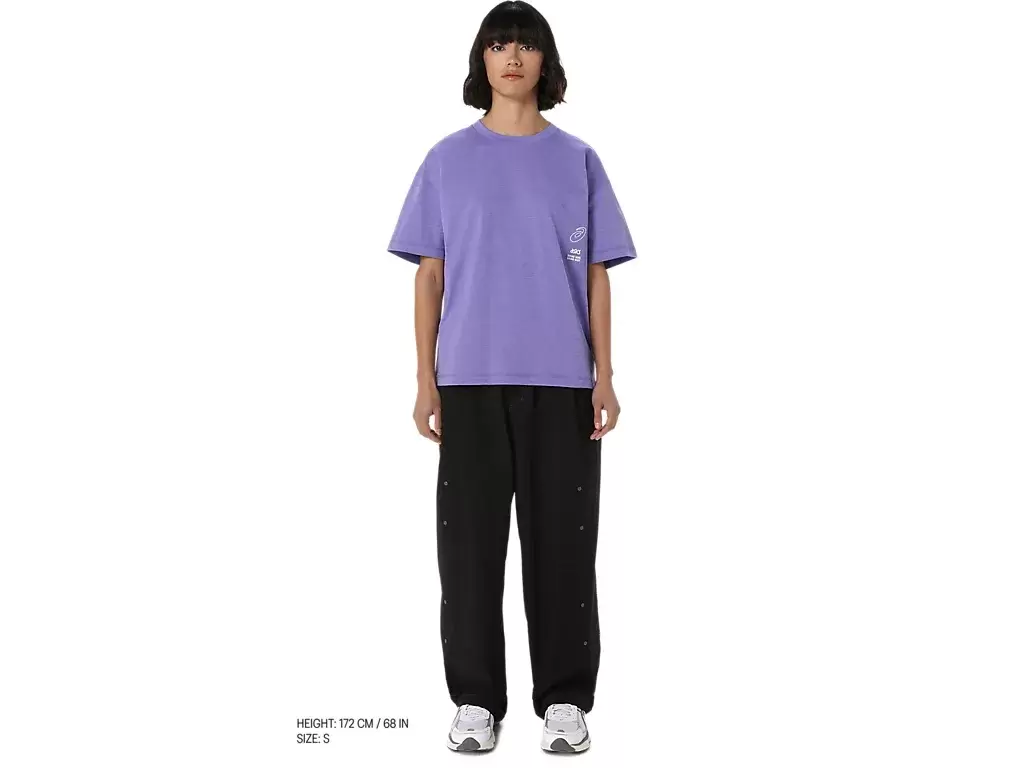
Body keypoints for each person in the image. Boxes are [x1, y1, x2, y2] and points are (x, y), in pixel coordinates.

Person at [386, 0, 637, 754]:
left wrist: (605, 375)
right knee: (468, 552)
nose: (513, 56)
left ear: (544, 61)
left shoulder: (578, 160)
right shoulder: (446, 160)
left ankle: (564, 701)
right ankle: (475, 701)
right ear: (482, 61)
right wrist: (425, 380)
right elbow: (429, 276)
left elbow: (596, 275)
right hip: (468, 380)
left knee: (564, 549)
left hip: (563, 383)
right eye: (498, 44)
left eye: (526, 44)